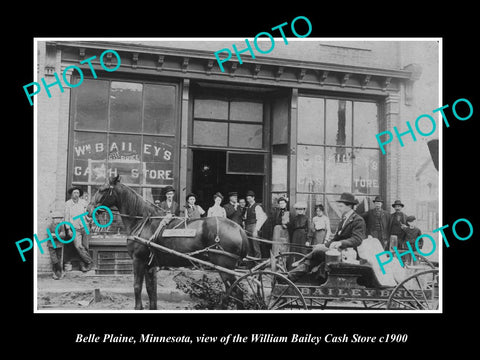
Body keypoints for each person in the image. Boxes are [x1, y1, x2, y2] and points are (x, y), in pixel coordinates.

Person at [288, 193, 366, 282]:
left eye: (340, 206)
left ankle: (293, 275)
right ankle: (295, 274)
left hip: (348, 255)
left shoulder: (358, 220)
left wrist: (341, 243)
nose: (339, 209)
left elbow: (357, 239)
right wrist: (323, 245)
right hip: (338, 252)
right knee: (317, 251)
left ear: (349, 206)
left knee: (317, 253)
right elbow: (335, 239)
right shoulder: (344, 220)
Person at [64, 186, 94, 272]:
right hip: (75, 228)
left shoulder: (83, 202)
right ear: (71, 194)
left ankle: (83, 265)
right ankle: (90, 262)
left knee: (85, 246)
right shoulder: (68, 204)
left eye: (77, 193)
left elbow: (87, 214)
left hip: (85, 227)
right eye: (74, 193)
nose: (76, 195)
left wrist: (90, 219)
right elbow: (66, 217)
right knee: (78, 246)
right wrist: (68, 229)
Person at [244, 190, 267, 258]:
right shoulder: (248, 207)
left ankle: (257, 264)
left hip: (254, 227)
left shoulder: (257, 207)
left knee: (255, 247)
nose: (248, 200)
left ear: (253, 198)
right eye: (247, 198)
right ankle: (250, 265)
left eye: (250, 198)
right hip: (247, 228)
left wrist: (256, 230)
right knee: (249, 247)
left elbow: (263, 218)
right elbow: (245, 218)